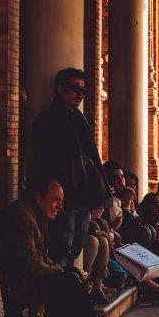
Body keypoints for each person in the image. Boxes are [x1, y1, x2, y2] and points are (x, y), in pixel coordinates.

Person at [0, 180, 130, 317]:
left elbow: (43, 258)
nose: (60, 206)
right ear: (39, 198)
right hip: (15, 286)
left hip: (27, 279)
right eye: (55, 200)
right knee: (68, 282)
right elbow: (29, 264)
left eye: (62, 201)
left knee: (70, 274)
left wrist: (62, 271)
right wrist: (59, 272)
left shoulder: (36, 215)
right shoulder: (22, 217)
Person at [30, 68, 108, 270]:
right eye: (75, 89)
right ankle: (60, 292)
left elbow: (93, 155)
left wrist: (102, 190)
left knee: (75, 247)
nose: (79, 95)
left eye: (83, 91)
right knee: (61, 246)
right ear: (60, 89)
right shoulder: (47, 119)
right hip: (63, 195)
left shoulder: (80, 119)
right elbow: (40, 157)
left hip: (83, 195)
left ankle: (66, 288)